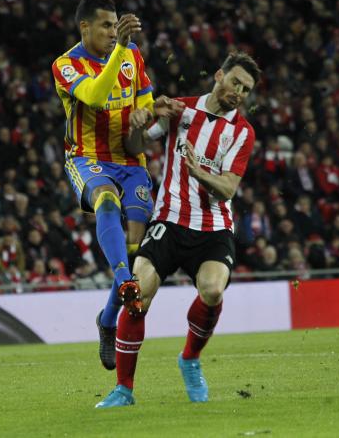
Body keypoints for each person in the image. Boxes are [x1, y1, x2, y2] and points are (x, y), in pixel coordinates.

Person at [95, 52, 259, 408]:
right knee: (135, 296)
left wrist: (198, 171)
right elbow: (135, 146)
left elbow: (228, 189)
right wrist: (140, 121)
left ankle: (189, 358)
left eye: (245, 90)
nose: (239, 93)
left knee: (213, 290)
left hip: (213, 229)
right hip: (169, 221)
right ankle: (124, 389)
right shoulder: (180, 110)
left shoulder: (242, 133)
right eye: (236, 83)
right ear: (219, 75)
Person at [52, 0, 183, 370]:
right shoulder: (65, 64)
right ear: (85, 28)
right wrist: (120, 49)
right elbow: (93, 96)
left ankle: (107, 321)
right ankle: (124, 280)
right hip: (88, 158)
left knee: (137, 242)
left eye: (116, 25)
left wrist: (152, 114)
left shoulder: (133, 56)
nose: (113, 32)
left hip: (130, 159)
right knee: (106, 202)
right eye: (106, 26)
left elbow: (141, 115)